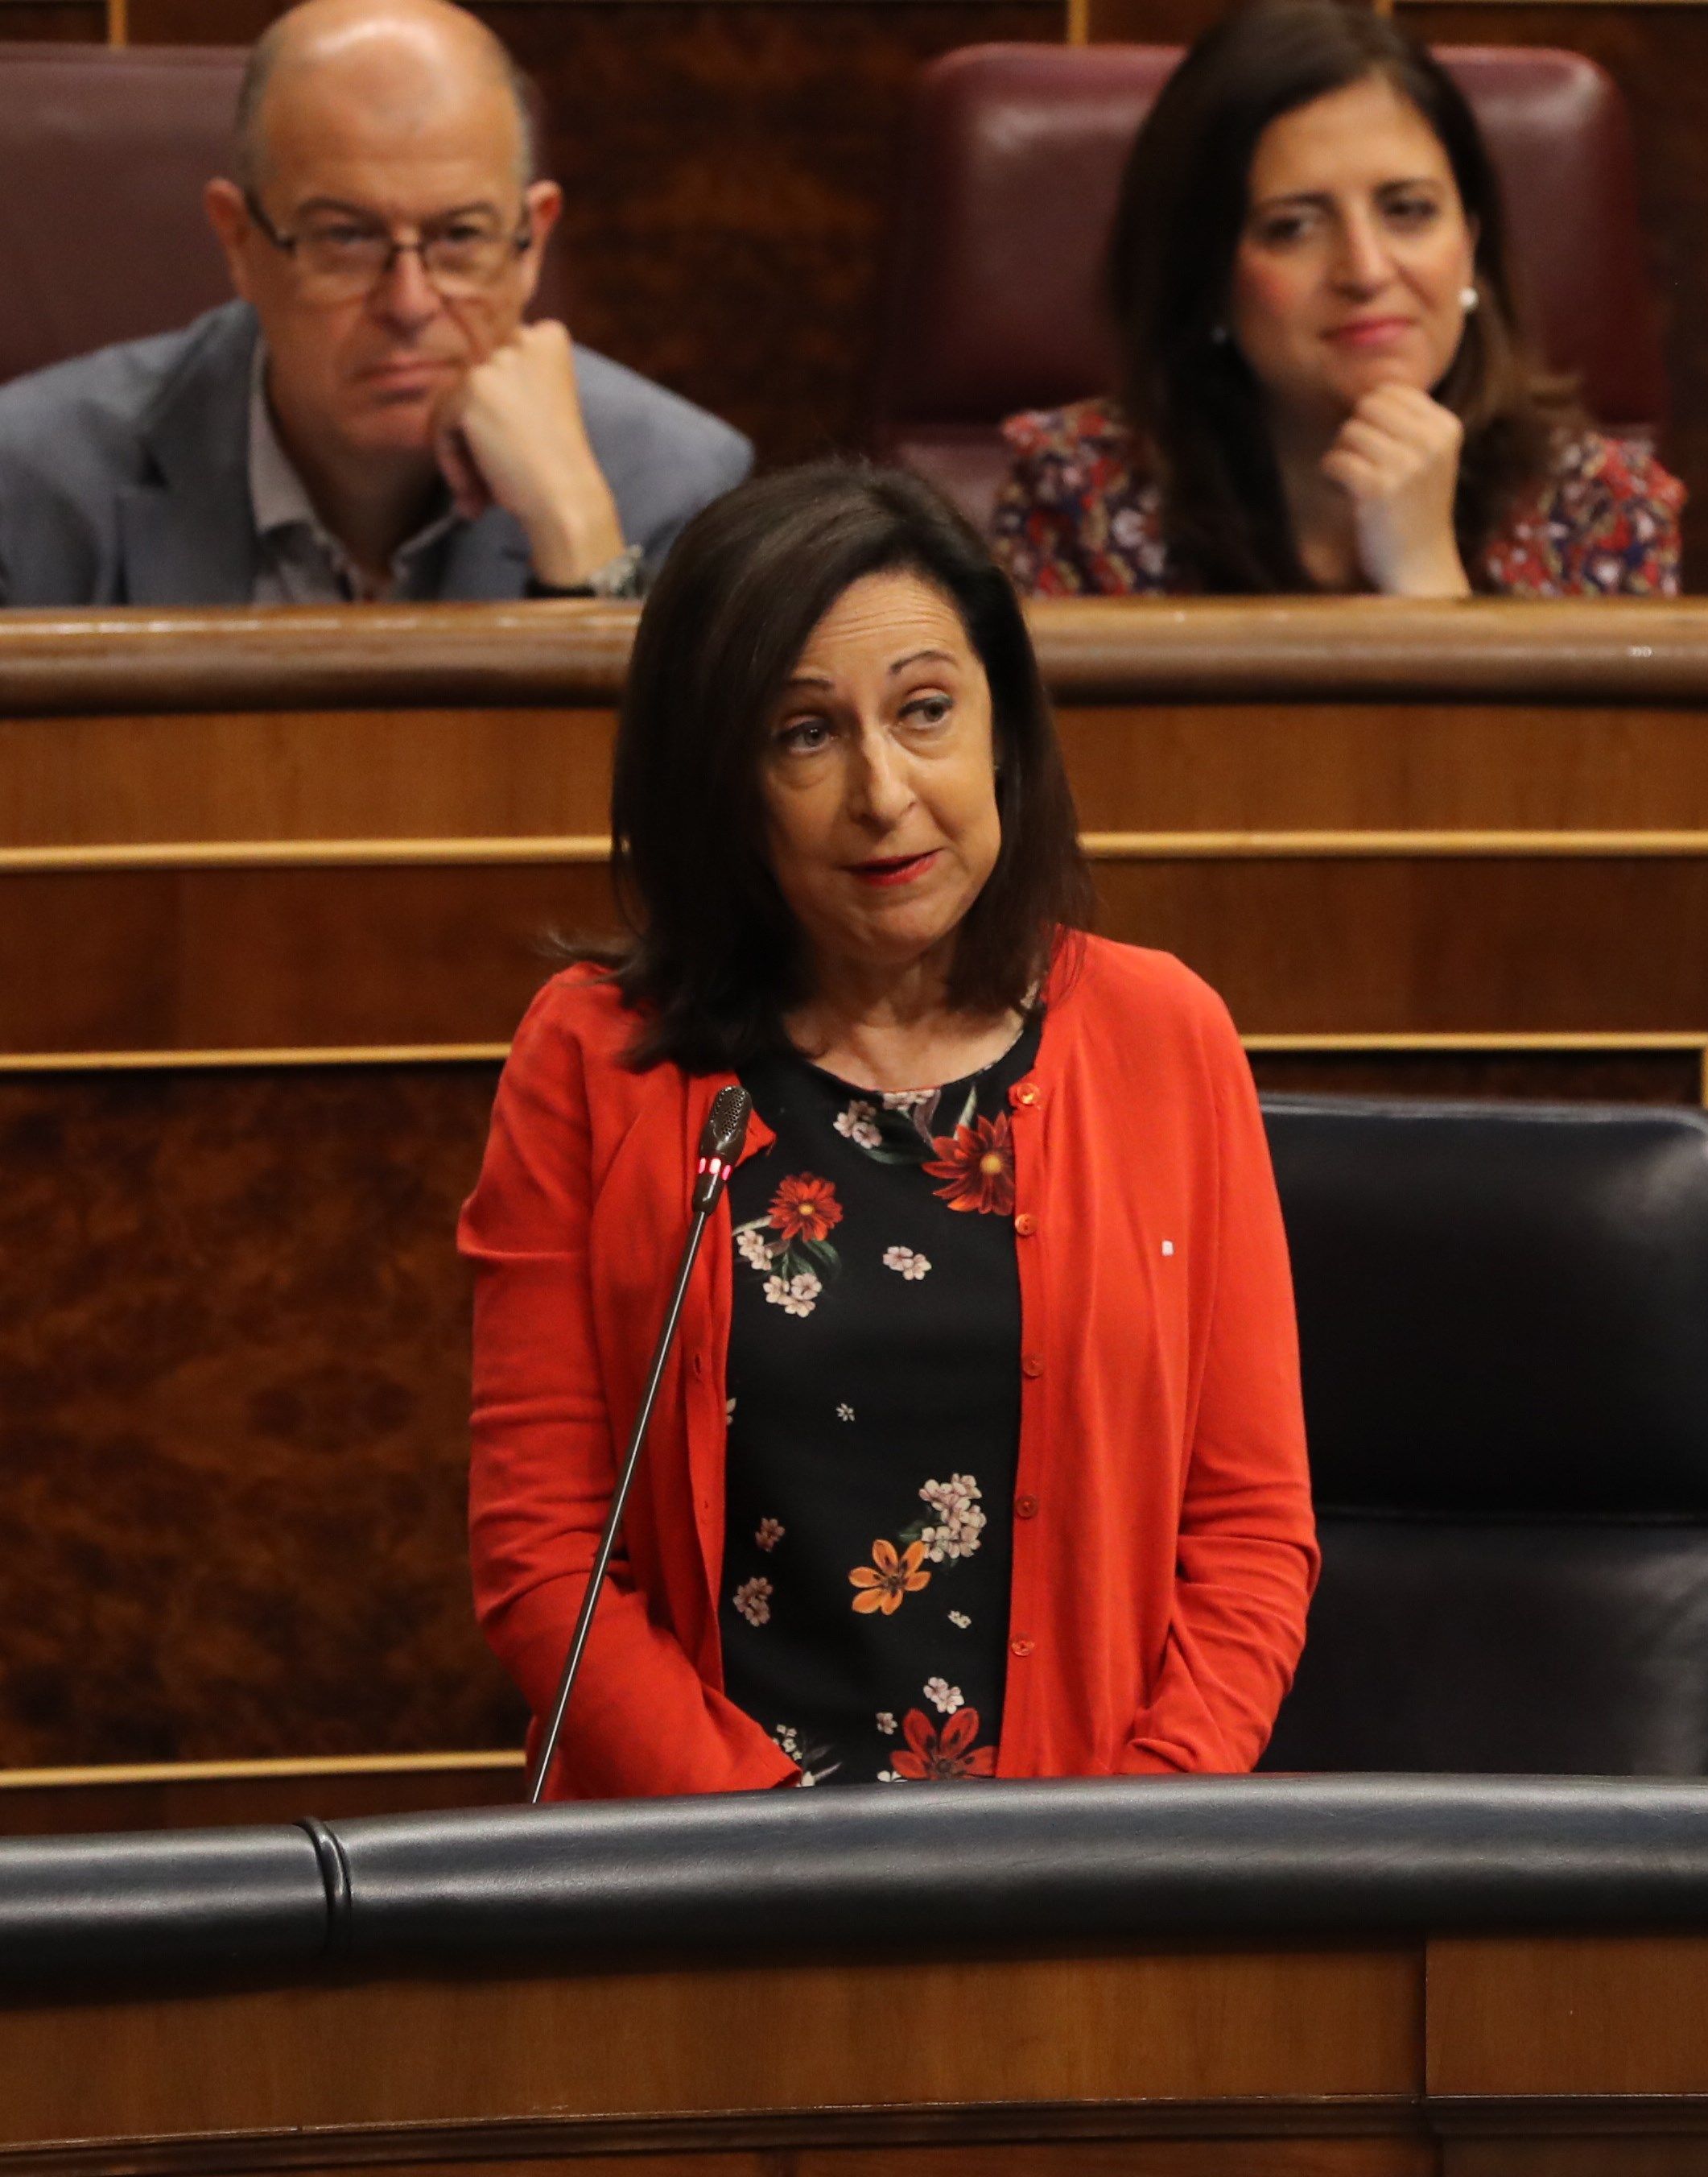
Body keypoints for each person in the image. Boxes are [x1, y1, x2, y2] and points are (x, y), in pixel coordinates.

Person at [462, 465, 1316, 1796]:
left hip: (1081, 1876)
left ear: (1001, 732)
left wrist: (1132, 1839)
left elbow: (1250, 1532)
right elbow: (544, 1553)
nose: (882, 789)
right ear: (720, 779)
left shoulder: (1165, 1035)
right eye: (805, 733)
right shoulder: (592, 1057)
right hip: (701, 1877)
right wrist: (762, 1846)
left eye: (925, 711)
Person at [0, 0, 748, 607]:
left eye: (460, 236)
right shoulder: (31, 485)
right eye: (346, 238)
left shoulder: (672, 483)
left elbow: (651, 793)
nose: (410, 302)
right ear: (239, 243)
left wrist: (583, 547)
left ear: (533, 240)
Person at [991, 0, 1681, 598]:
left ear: (1470, 244)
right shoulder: (1077, 497)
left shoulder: (1602, 508)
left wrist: (1425, 578)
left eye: (1408, 210)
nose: (1366, 269)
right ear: (1204, 273)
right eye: (1292, 227)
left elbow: (1595, 758)